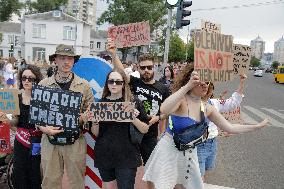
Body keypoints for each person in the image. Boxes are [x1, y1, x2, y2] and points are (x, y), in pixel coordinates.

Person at [142, 64, 268, 189]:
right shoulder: (181, 99)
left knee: (183, 186)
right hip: (168, 150)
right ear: (190, 81)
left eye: (207, 82)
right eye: (200, 82)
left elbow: (230, 127)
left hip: (188, 152)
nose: (205, 85)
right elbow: (164, 108)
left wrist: (255, 126)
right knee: (160, 185)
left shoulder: (207, 107)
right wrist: (187, 86)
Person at [37, 44, 94, 189]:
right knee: (50, 182)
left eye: (70, 58)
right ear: (55, 60)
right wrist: (45, 129)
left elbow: (91, 110)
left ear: (74, 61)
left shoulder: (84, 85)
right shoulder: (44, 84)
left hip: (75, 140)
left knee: (77, 182)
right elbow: (36, 115)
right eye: (62, 58)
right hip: (50, 142)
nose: (66, 62)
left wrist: (80, 118)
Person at [106, 39, 170, 165]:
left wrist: (157, 118)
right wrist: (114, 54)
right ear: (138, 68)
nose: (146, 70)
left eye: (149, 67)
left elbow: (169, 112)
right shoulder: (135, 82)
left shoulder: (163, 88)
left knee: (152, 169)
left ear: (154, 67)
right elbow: (121, 72)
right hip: (131, 132)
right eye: (143, 67)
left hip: (150, 135)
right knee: (127, 168)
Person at [91, 69, 149, 189]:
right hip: (105, 154)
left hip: (127, 156)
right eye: (111, 81)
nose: (114, 84)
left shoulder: (133, 102)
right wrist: (95, 122)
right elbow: (96, 133)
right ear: (107, 83)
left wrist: (132, 118)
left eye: (118, 82)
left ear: (123, 84)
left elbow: (144, 129)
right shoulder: (101, 104)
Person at [197, 74, 247, 181]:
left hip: (212, 143)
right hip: (198, 144)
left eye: (208, 88)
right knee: (198, 176)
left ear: (211, 92)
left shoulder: (214, 103)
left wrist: (242, 82)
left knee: (204, 171)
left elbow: (233, 103)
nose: (206, 89)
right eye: (202, 86)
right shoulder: (191, 103)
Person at [2, 65, 43, 189]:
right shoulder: (17, 97)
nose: (26, 81)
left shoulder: (42, 99)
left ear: (36, 80)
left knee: (34, 174)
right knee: (19, 174)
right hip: (20, 142)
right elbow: (15, 121)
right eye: (24, 78)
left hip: (37, 142)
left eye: (30, 78)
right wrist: (7, 119)